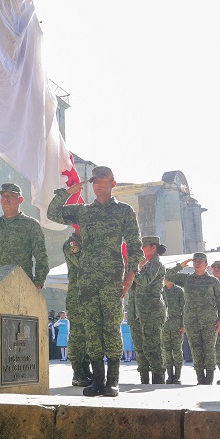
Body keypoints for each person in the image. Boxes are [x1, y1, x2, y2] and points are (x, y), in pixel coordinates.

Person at [47, 165, 142, 398]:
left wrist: (130, 275)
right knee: (92, 328)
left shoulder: (124, 211)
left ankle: (113, 380)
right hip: (87, 280)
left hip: (112, 279)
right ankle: (98, 379)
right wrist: (69, 191)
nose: (98, 185)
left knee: (111, 327)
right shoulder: (84, 212)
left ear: (113, 183)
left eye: (103, 181)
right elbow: (52, 213)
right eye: (95, 182)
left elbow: (134, 244)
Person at [0, 183, 49, 288]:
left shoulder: (31, 224)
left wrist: (38, 283)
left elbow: (41, 257)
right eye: (4, 196)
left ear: (20, 199)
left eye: (11, 196)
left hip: (20, 284)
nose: (6, 199)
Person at [164, 253, 220, 385]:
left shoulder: (213, 281)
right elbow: (168, 276)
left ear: (206, 264)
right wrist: (180, 266)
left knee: (209, 349)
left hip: (209, 321)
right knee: (196, 350)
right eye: (195, 261)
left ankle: (208, 379)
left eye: (200, 261)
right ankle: (200, 379)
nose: (197, 263)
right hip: (191, 321)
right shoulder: (186, 279)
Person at [130, 235, 168, 385]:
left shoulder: (156, 263)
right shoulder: (145, 265)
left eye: (144, 246)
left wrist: (133, 270)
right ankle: (144, 379)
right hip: (138, 311)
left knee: (153, 346)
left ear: (153, 247)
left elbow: (144, 281)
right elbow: (133, 286)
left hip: (152, 311)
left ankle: (158, 379)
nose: (141, 249)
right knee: (140, 348)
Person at [63, 228, 93, 386]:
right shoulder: (72, 244)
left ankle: (86, 368)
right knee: (77, 334)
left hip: (91, 296)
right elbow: (83, 263)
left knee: (89, 334)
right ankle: (77, 372)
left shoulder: (90, 242)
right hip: (77, 295)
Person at [162, 276, 186, 384]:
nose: (166, 279)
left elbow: (184, 308)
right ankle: (170, 376)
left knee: (177, 350)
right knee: (166, 350)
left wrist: (184, 325)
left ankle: (177, 376)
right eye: (165, 277)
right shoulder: (161, 291)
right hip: (164, 325)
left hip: (177, 324)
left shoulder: (179, 291)